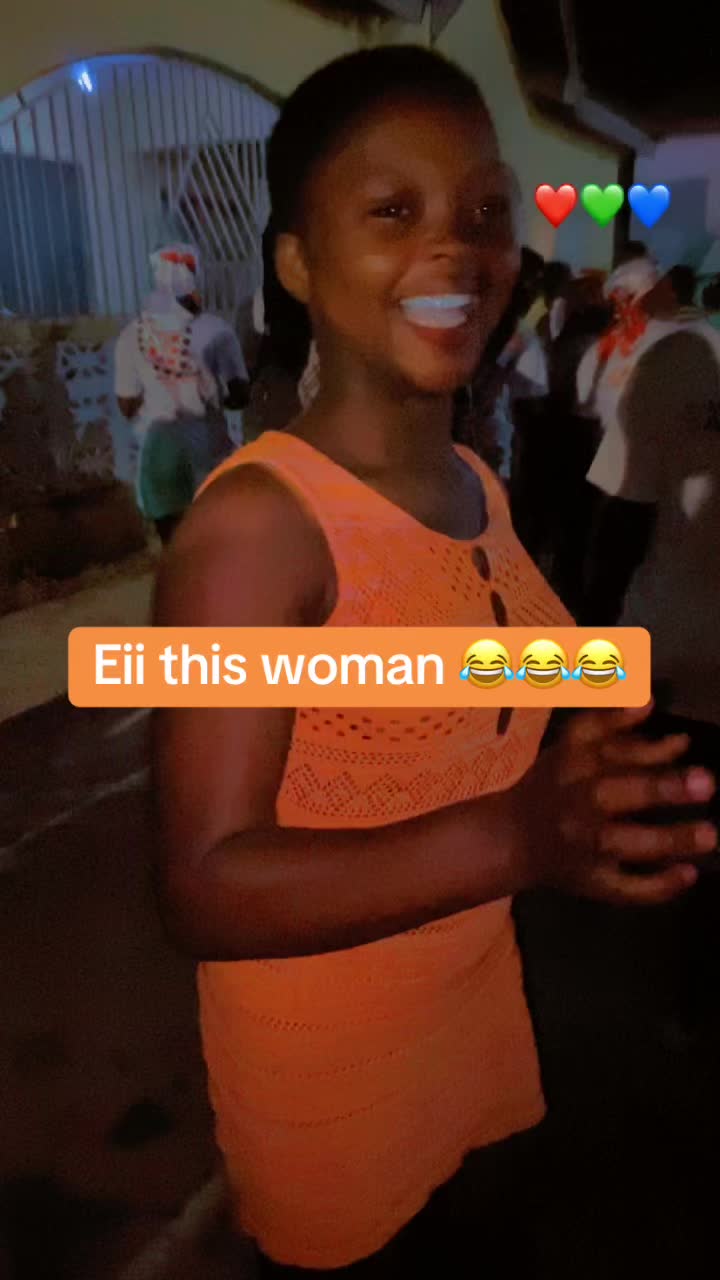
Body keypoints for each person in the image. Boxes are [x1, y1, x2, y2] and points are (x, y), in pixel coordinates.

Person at [152, 47, 716, 1277]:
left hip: (472, 1023)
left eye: (484, 209)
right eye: (393, 210)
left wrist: (622, 695)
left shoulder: (469, 481)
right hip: (337, 1097)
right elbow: (202, 882)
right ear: (298, 262)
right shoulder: (256, 534)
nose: (457, 246)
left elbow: (473, 659)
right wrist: (521, 836)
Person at [115, 244, 250, 544]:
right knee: (215, 538)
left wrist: (157, 390)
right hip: (207, 443)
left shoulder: (130, 335)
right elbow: (240, 394)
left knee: (173, 542)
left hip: (158, 449)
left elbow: (126, 406)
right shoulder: (217, 330)